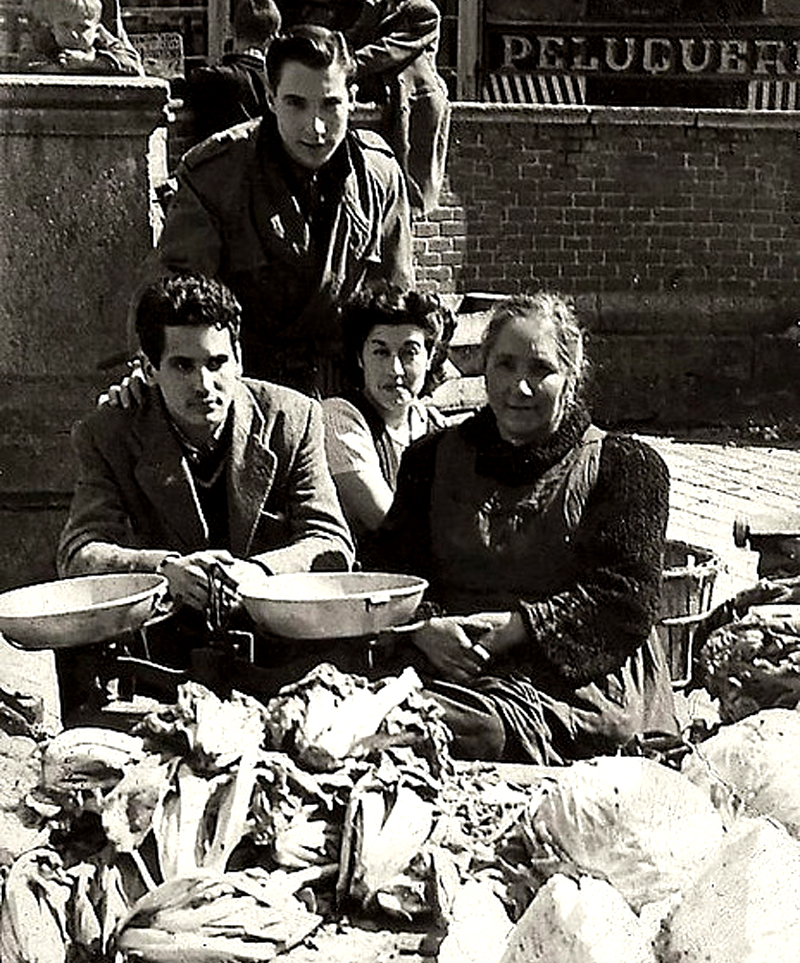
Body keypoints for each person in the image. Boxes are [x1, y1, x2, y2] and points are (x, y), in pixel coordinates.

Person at [373, 291, 678, 764]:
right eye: (506, 366)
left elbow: (625, 600)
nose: (520, 387)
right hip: (454, 659)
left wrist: (520, 628)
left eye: (541, 370)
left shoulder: (625, 466)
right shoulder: (430, 459)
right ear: (485, 368)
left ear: (571, 377)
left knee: (473, 729)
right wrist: (425, 626)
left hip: (571, 677)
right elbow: (389, 568)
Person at [57, 273, 354, 719]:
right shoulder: (110, 433)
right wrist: (162, 571)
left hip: (278, 657)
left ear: (239, 358)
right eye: (182, 365)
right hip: (163, 663)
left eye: (217, 363)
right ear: (150, 368)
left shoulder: (293, 418)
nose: (204, 384)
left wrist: (258, 573)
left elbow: (331, 542)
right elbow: (79, 554)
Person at [155, 24, 414, 397]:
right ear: (272, 98)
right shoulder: (218, 175)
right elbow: (177, 302)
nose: (316, 127)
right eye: (295, 103)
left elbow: (396, 299)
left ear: (352, 99)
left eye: (330, 104)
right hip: (246, 391)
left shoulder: (379, 175)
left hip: (347, 392)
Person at [322, 285, 454, 552]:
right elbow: (387, 522)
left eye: (410, 352)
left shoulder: (433, 424)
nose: (395, 370)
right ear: (360, 358)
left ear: (429, 358)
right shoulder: (339, 418)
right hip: (362, 577)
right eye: (381, 352)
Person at [347, 0, 450, 214]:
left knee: (408, 186)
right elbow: (354, 39)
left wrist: (350, 65)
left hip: (413, 102)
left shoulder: (424, 10)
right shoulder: (375, 7)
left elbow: (391, 49)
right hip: (381, 96)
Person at [185, 0, 282, 142]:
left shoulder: (214, 78)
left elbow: (186, 81)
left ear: (231, 30)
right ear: (272, 38)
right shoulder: (280, 80)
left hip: (223, 161)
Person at [26, 0, 143, 75]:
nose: (73, 34)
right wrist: (57, 67)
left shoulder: (103, 43)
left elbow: (133, 65)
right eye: (65, 26)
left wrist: (89, 62)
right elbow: (24, 65)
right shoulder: (43, 43)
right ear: (52, 28)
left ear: (97, 31)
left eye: (82, 28)